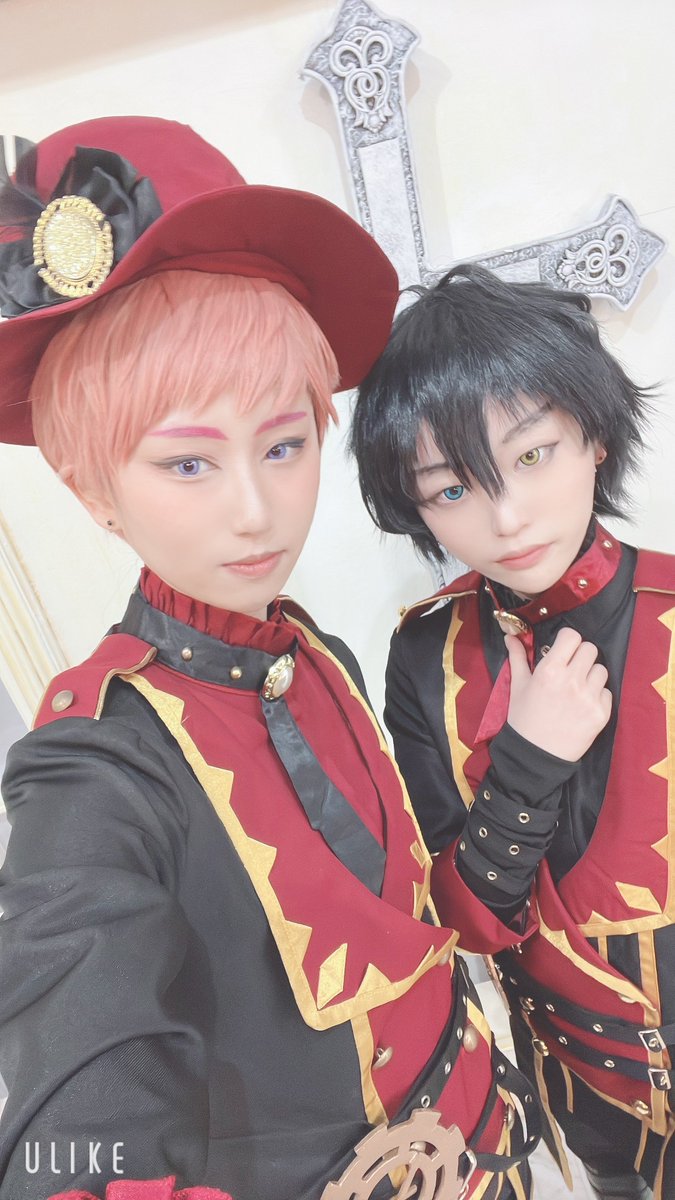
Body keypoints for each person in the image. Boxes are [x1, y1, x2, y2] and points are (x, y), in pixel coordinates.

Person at [0, 121, 538, 1200]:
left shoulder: (314, 650)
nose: (256, 511)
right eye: (187, 463)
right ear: (93, 490)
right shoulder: (94, 769)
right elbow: (70, 1149)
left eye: (283, 445)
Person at [351, 263, 675, 1200]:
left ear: (596, 436)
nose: (505, 517)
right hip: (580, 1093)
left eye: (531, 456)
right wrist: (527, 766)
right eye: (451, 489)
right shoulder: (426, 655)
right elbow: (458, 923)